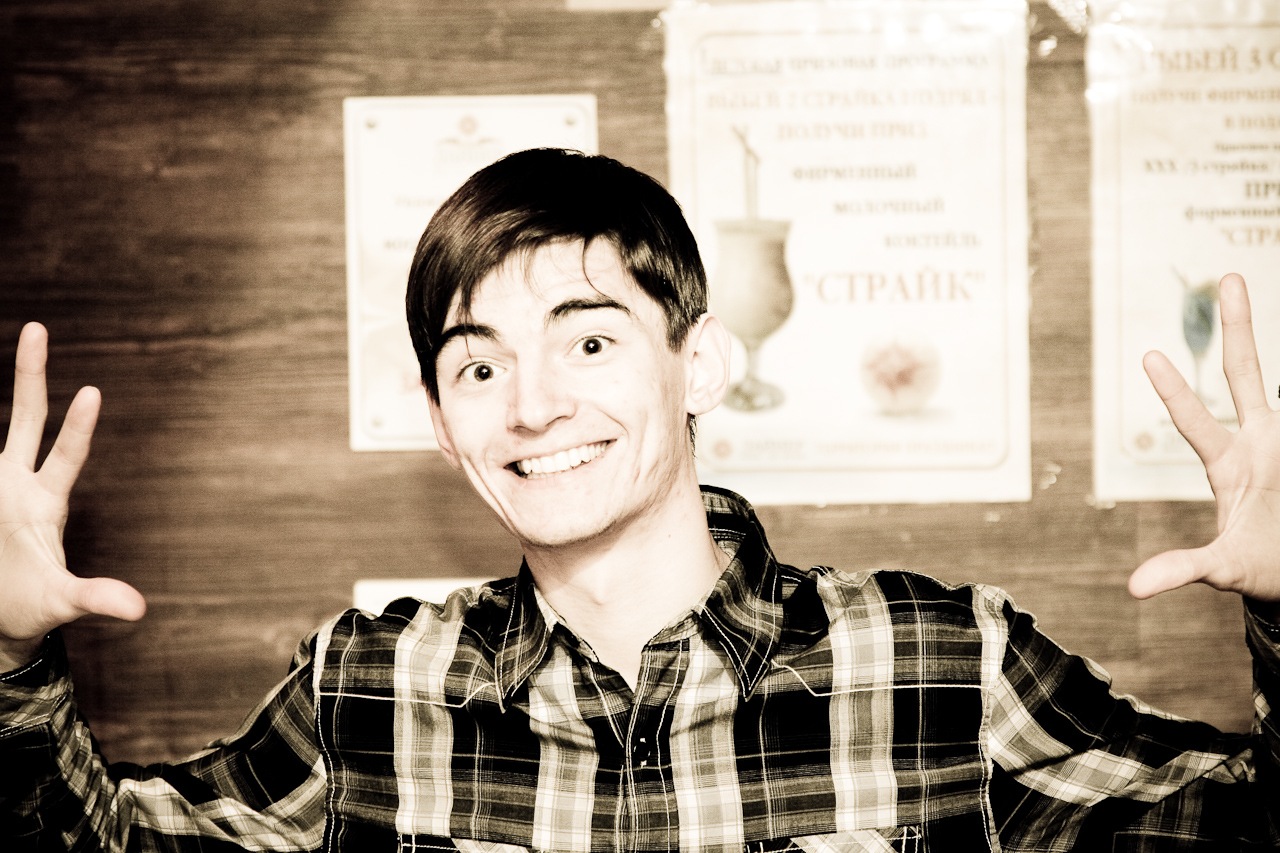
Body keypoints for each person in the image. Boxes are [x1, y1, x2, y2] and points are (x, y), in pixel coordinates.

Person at [1, 147, 1278, 851]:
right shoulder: (367, 688)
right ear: (442, 422)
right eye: (479, 365)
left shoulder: (942, 662)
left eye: (590, 341)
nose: (533, 405)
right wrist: (6, 656)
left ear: (699, 364)